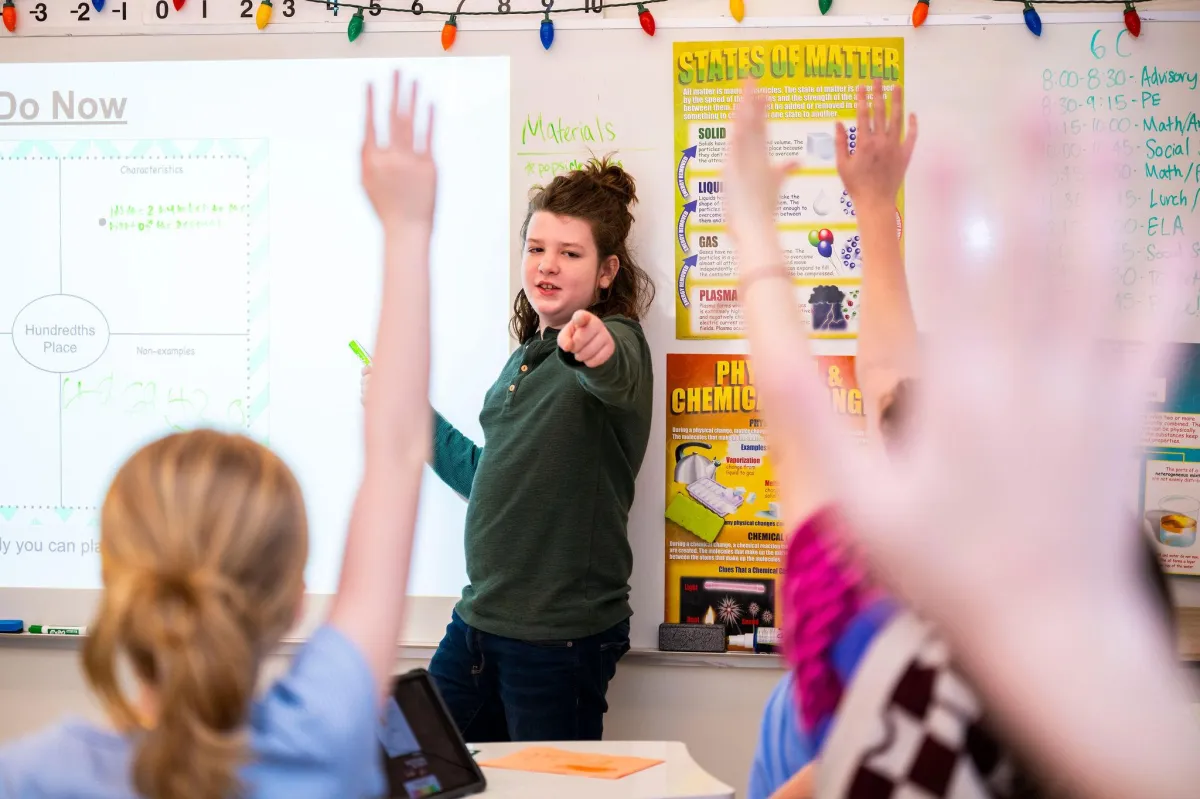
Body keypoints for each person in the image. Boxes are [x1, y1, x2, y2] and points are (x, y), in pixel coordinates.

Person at [723, 75, 1200, 799]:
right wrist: (876, 211)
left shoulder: (877, 675)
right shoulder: (1108, 737)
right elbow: (891, 389)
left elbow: (807, 434)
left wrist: (754, 226)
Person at [0, 71, 436, 799]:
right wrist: (408, 226)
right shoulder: (325, 738)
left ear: (118, 585)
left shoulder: (30, 776)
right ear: (296, 598)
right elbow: (397, 453)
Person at [362, 157, 655, 742]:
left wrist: (592, 344)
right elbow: (485, 474)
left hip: (557, 639)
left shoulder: (615, 339)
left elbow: (612, 369)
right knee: (412, 761)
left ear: (607, 271)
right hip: (478, 622)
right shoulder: (524, 358)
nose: (547, 264)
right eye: (537, 247)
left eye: (571, 253)